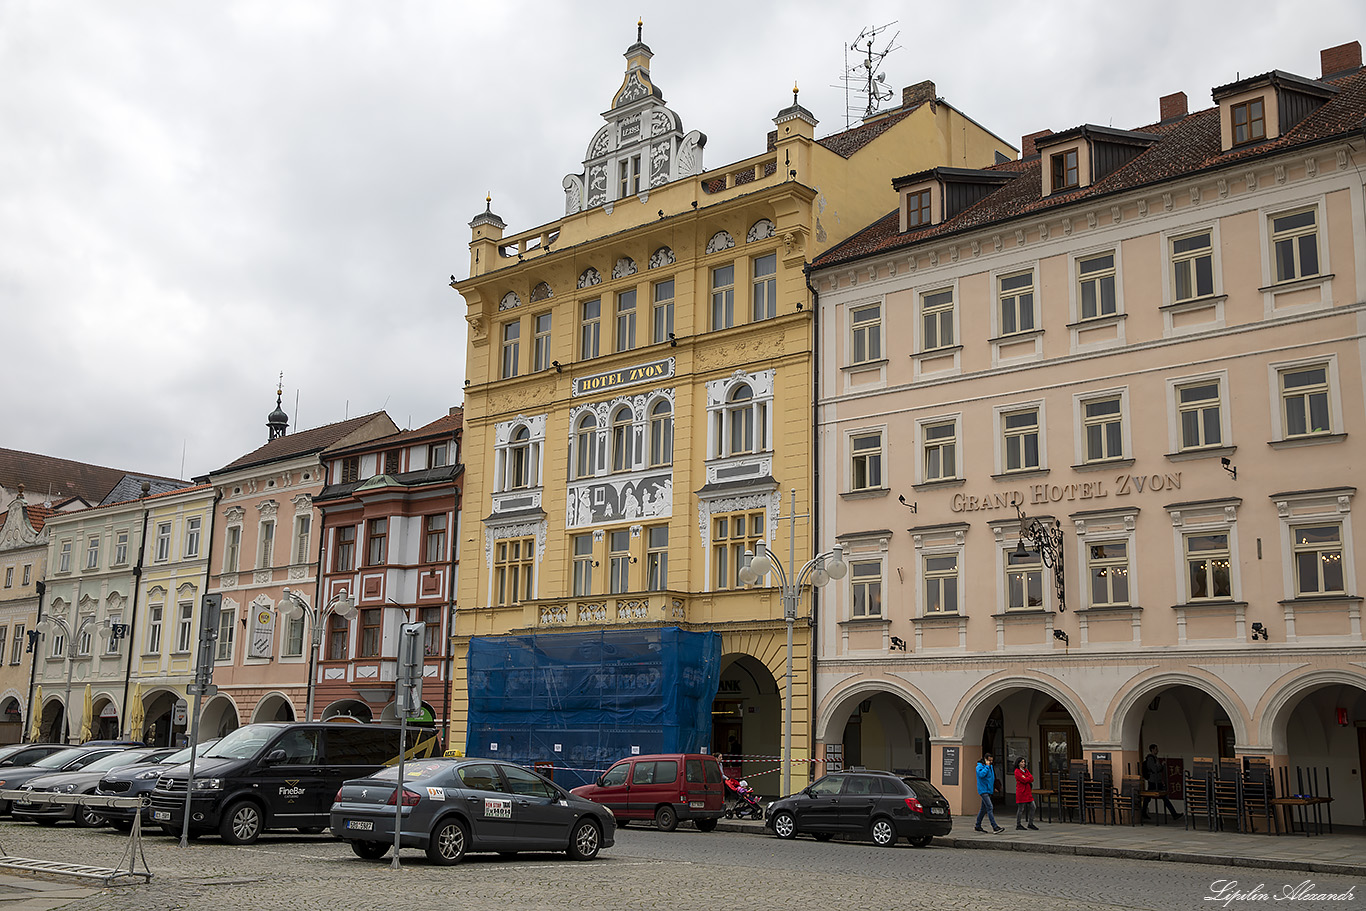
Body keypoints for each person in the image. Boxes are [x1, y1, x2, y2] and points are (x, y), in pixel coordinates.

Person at [1141, 744, 1182, 821]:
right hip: (1153, 781)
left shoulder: (1154, 758)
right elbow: (1154, 769)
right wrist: (1161, 766)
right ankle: (1174, 814)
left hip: (1156, 780)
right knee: (1155, 797)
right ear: (1152, 750)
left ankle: (1174, 814)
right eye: (1156, 749)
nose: (1157, 751)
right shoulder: (1150, 758)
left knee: (1158, 797)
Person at [974, 752, 1004, 833]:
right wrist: (987, 766)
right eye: (990, 760)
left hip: (989, 789)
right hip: (983, 790)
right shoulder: (980, 766)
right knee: (990, 807)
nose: (991, 762)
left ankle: (978, 825)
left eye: (992, 761)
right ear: (985, 759)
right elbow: (981, 775)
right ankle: (994, 826)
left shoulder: (990, 766)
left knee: (983, 809)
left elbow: (991, 778)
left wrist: (994, 787)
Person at [1014, 756, 1039, 830]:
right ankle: (1018, 824)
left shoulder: (1026, 770)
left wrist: (1027, 778)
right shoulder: (1017, 771)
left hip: (1028, 792)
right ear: (1018, 763)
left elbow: (1031, 778)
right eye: (1022, 762)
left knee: (1033, 807)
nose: (1023, 763)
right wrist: (1027, 778)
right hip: (1021, 792)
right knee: (1021, 808)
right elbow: (1023, 780)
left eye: (1024, 762)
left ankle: (1030, 823)